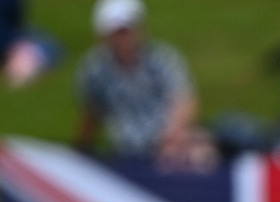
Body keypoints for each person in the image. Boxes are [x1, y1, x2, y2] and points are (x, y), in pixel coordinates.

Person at [74, 0, 213, 168]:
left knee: (200, 152)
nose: (124, 37)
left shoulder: (162, 60)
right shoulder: (95, 71)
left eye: (127, 30)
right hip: (127, 149)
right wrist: (80, 152)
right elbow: (91, 112)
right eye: (118, 32)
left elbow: (184, 100)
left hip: (167, 143)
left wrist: (170, 137)